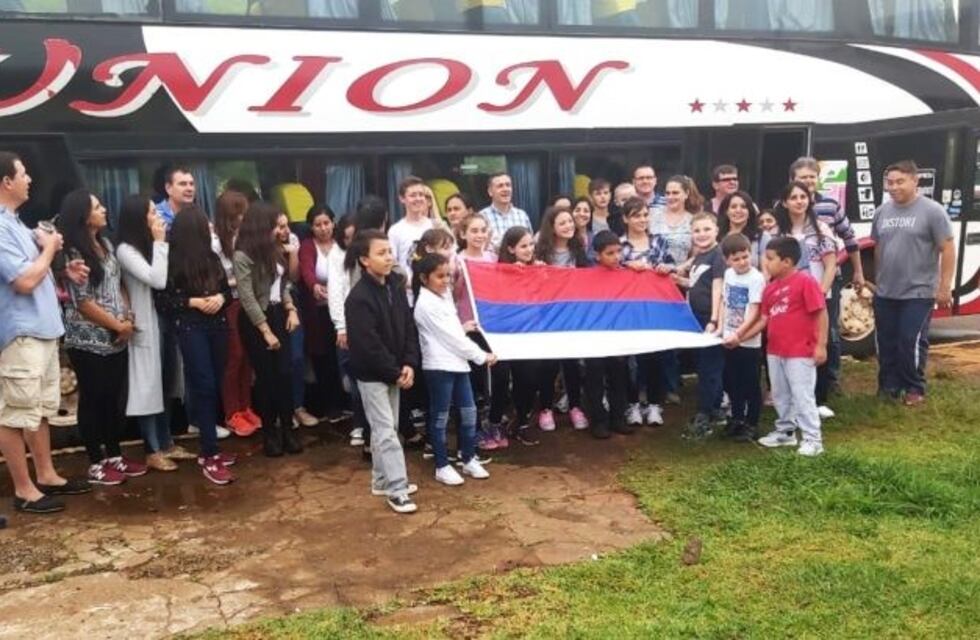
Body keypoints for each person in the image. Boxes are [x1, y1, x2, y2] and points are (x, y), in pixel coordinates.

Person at [0, 151, 90, 514]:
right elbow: (22, 281)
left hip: (42, 330)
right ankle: (24, 489)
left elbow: (34, 275)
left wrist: (65, 273)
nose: (30, 180)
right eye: (23, 174)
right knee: (13, 413)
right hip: (21, 333)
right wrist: (51, 247)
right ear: (6, 181)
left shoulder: (18, 224)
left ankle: (47, 474)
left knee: (38, 409)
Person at [60, 189, 147, 485]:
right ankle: (95, 461)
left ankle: (114, 455)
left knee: (113, 397)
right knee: (93, 398)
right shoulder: (73, 253)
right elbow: (82, 302)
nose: (104, 210)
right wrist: (116, 325)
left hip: (116, 334)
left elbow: (118, 285)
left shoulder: (106, 244)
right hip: (87, 338)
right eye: (97, 207)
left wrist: (127, 317)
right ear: (84, 216)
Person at [157, 205, 236, 484]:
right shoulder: (172, 260)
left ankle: (209, 445)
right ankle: (210, 451)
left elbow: (227, 290)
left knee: (215, 382)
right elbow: (164, 300)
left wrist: (220, 299)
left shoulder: (211, 257)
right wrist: (193, 302)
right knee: (202, 384)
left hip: (218, 325)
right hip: (191, 327)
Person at [117, 195, 195, 471]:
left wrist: (161, 243)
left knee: (166, 385)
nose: (157, 217)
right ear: (139, 217)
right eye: (151, 213)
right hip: (145, 327)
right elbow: (157, 279)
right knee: (148, 389)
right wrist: (160, 241)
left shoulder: (148, 244)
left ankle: (167, 441)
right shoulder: (126, 250)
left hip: (165, 321)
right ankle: (151, 449)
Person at [345, 230, 420, 514]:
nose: (389, 257)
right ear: (364, 260)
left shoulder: (396, 286)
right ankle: (397, 488)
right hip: (373, 375)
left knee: (384, 428)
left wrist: (409, 363)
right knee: (387, 432)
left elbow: (408, 328)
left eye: (390, 252)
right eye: (381, 253)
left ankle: (380, 480)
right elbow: (367, 344)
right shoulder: (358, 298)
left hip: (397, 370)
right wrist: (394, 371)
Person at [872, 160, 955, 406]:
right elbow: (878, 247)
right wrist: (877, 280)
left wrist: (944, 286)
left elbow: (947, 248)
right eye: (890, 182)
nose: (894, 187)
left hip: (918, 292)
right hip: (886, 291)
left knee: (910, 340)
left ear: (915, 181)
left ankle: (914, 387)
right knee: (886, 342)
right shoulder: (881, 212)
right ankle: (889, 386)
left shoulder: (932, 211)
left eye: (900, 182)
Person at [739, 237, 828, 457]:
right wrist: (740, 337)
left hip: (800, 351)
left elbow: (820, 312)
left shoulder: (805, 282)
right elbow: (764, 319)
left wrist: (821, 345)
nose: (766, 263)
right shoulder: (770, 289)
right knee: (780, 393)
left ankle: (812, 439)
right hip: (775, 350)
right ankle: (786, 432)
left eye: (770, 259)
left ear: (787, 261)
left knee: (802, 393)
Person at [413, 252, 495, 485]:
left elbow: (452, 330)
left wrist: (464, 326)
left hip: (458, 364)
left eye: (448, 275)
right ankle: (441, 465)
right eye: (440, 276)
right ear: (424, 278)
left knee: (468, 412)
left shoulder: (444, 295)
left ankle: (468, 458)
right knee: (440, 416)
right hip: (439, 366)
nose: (446, 280)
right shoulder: (425, 304)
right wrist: (482, 356)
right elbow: (451, 339)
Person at [790, 156, 866, 399]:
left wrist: (858, 271)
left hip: (826, 280)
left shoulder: (831, 206)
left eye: (812, 177)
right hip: (795, 283)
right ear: (793, 180)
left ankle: (830, 380)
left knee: (828, 331)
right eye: (802, 177)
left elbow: (850, 239)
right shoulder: (785, 206)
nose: (808, 182)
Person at [236, 203, 304, 457]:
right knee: (267, 377)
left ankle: (287, 428)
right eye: (278, 226)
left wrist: (291, 308)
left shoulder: (274, 250)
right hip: (257, 320)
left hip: (279, 313)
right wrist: (265, 331)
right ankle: (270, 432)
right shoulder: (243, 255)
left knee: (285, 373)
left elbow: (282, 284)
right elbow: (248, 297)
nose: (283, 231)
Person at [773, 181, 837, 418]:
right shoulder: (778, 232)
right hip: (787, 301)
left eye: (803, 196)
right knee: (791, 347)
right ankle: (789, 399)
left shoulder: (821, 229)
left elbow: (831, 265)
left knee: (818, 344)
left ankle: (818, 400)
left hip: (816, 297)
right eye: (794, 197)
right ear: (785, 202)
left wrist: (821, 292)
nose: (799, 201)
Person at [619, 196, 674, 427]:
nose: (642, 220)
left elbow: (672, 265)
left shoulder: (659, 241)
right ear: (625, 218)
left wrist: (665, 268)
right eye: (636, 215)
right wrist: (626, 266)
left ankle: (654, 405)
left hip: (655, 310)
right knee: (631, 360)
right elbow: (609, 273)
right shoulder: (619, 244)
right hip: (629, 311)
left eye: (644, 215)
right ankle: (632, 405)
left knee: (655, 357)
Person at [453, 212, 506, 449]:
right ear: (463, 234)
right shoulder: (456, 261)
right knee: (474, 381)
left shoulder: (494, 258)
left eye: (483, 230)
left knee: (501, 375)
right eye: (473, 230)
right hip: (468, 327)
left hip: (494, 327)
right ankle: (472, 430)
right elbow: (451, 296)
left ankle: (494, 422)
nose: (479, 235)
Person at [535, 206, 590, 431]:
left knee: (572, 364)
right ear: (552, 228)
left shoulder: (579, 250)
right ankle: (546, 409)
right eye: (563, 223)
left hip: (573, 316)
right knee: (548, 364)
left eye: (570, 221)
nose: (569, 226)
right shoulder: (540, 253)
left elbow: (589, 279)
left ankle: (575, 407)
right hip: (548, 317)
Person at [212, 189, 260, 437]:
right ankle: (232, 413)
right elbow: (218, 279)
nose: (242, 217)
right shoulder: (215, 242)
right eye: (238, 212)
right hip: (229, 304)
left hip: (247, 302)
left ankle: (246, 406)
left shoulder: (244, 238)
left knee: (249, 356)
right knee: (235, 357)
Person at [675, 212, 726, 439]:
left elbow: (718, 288)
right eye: (697, 230)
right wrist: (677, 281)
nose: (702, 234)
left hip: (709, 319)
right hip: (696, 318)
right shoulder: (699, 257)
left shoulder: (718, 256)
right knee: (704, 366)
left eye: (706, 229)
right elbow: (697, 284)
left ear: (716, 230)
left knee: (710, 368)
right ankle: (714, 409)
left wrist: (714, 320)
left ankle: (707, 412)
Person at [497, 225, 546, 445]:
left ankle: (522, 421)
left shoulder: (539, 268)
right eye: (523, 246)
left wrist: (544, 275)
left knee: (531, 379)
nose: (528, 250)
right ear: (511, 248)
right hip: (509, 334)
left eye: (531, 245)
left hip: (533, 332)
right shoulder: (501, 271)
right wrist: (511, 274)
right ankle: (503, 422)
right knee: (513, 378)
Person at [299, 204, 347, 422]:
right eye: (317, 224)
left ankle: (345, 402)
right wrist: (314, 286)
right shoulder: (308, 246)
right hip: (317, 312)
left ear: (333, 223)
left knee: (341, 357)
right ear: (311, 227)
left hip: (341, 309)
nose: (323, 228)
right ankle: (330, 405)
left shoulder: (341, 245)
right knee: (322, 357)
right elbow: (306, 269)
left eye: (326, 223)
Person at [584, 231, 632, 439]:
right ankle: (598, 421)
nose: (616, 257)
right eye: (610, 253)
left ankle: (618, 418)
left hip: (618, 335)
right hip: (594, 337)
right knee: (594, 378)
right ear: (597, 255)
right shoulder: (586, 277)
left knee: (619, 376)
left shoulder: (626, 273)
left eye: (619, 252)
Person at [718, 234, 765, 442]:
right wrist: (721, 328)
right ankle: (736, 418)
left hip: (748, 341)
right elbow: (725, 302)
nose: (742, 262)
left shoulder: (756, 278)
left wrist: (740, 335)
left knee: (750, 383)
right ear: (728, 260)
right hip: (729, 338)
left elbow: (755, 311)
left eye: (745, 256)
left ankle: (752, 423)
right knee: (732, 380)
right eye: (736, 259)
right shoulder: (729, 275)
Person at [274, 211, 315, 428]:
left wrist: (292, 254)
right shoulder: (261, 248)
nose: (286, 230)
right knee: (278, 362)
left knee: (297, 358)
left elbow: (294, 277)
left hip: (293, 304)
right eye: (280, 227)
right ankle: (283, 411)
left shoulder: (293, 241)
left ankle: (298, 406)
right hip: (271, 307)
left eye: (286, 225)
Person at [388, 176, 435, 295]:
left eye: (421, 194)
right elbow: (392, 264)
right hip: (408, 296)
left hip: (434, 294)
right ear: (402, 199)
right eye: (413, 195)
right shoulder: (395, 231)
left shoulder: (434, 226)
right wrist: (410, 283)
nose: (418, 199)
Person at [717, 190, 768, 270]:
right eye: (733, 207)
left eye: (743, 207)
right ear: (726, 211)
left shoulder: (762, 237)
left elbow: (767, 271)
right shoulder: (717, 236)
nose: (738, 210)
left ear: (749, 211)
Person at [480, 172, 532, 245]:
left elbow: (530, 244)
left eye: (508, 185)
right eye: (500, 186)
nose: (505, 189)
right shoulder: (482, 217)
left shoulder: (522, 215)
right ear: (490, 192)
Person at [155, 165, 195, 230]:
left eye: (191, 184)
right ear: (168, 188)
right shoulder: (155, 215)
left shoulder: (197, 215)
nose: (190, 189)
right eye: (183, 184)